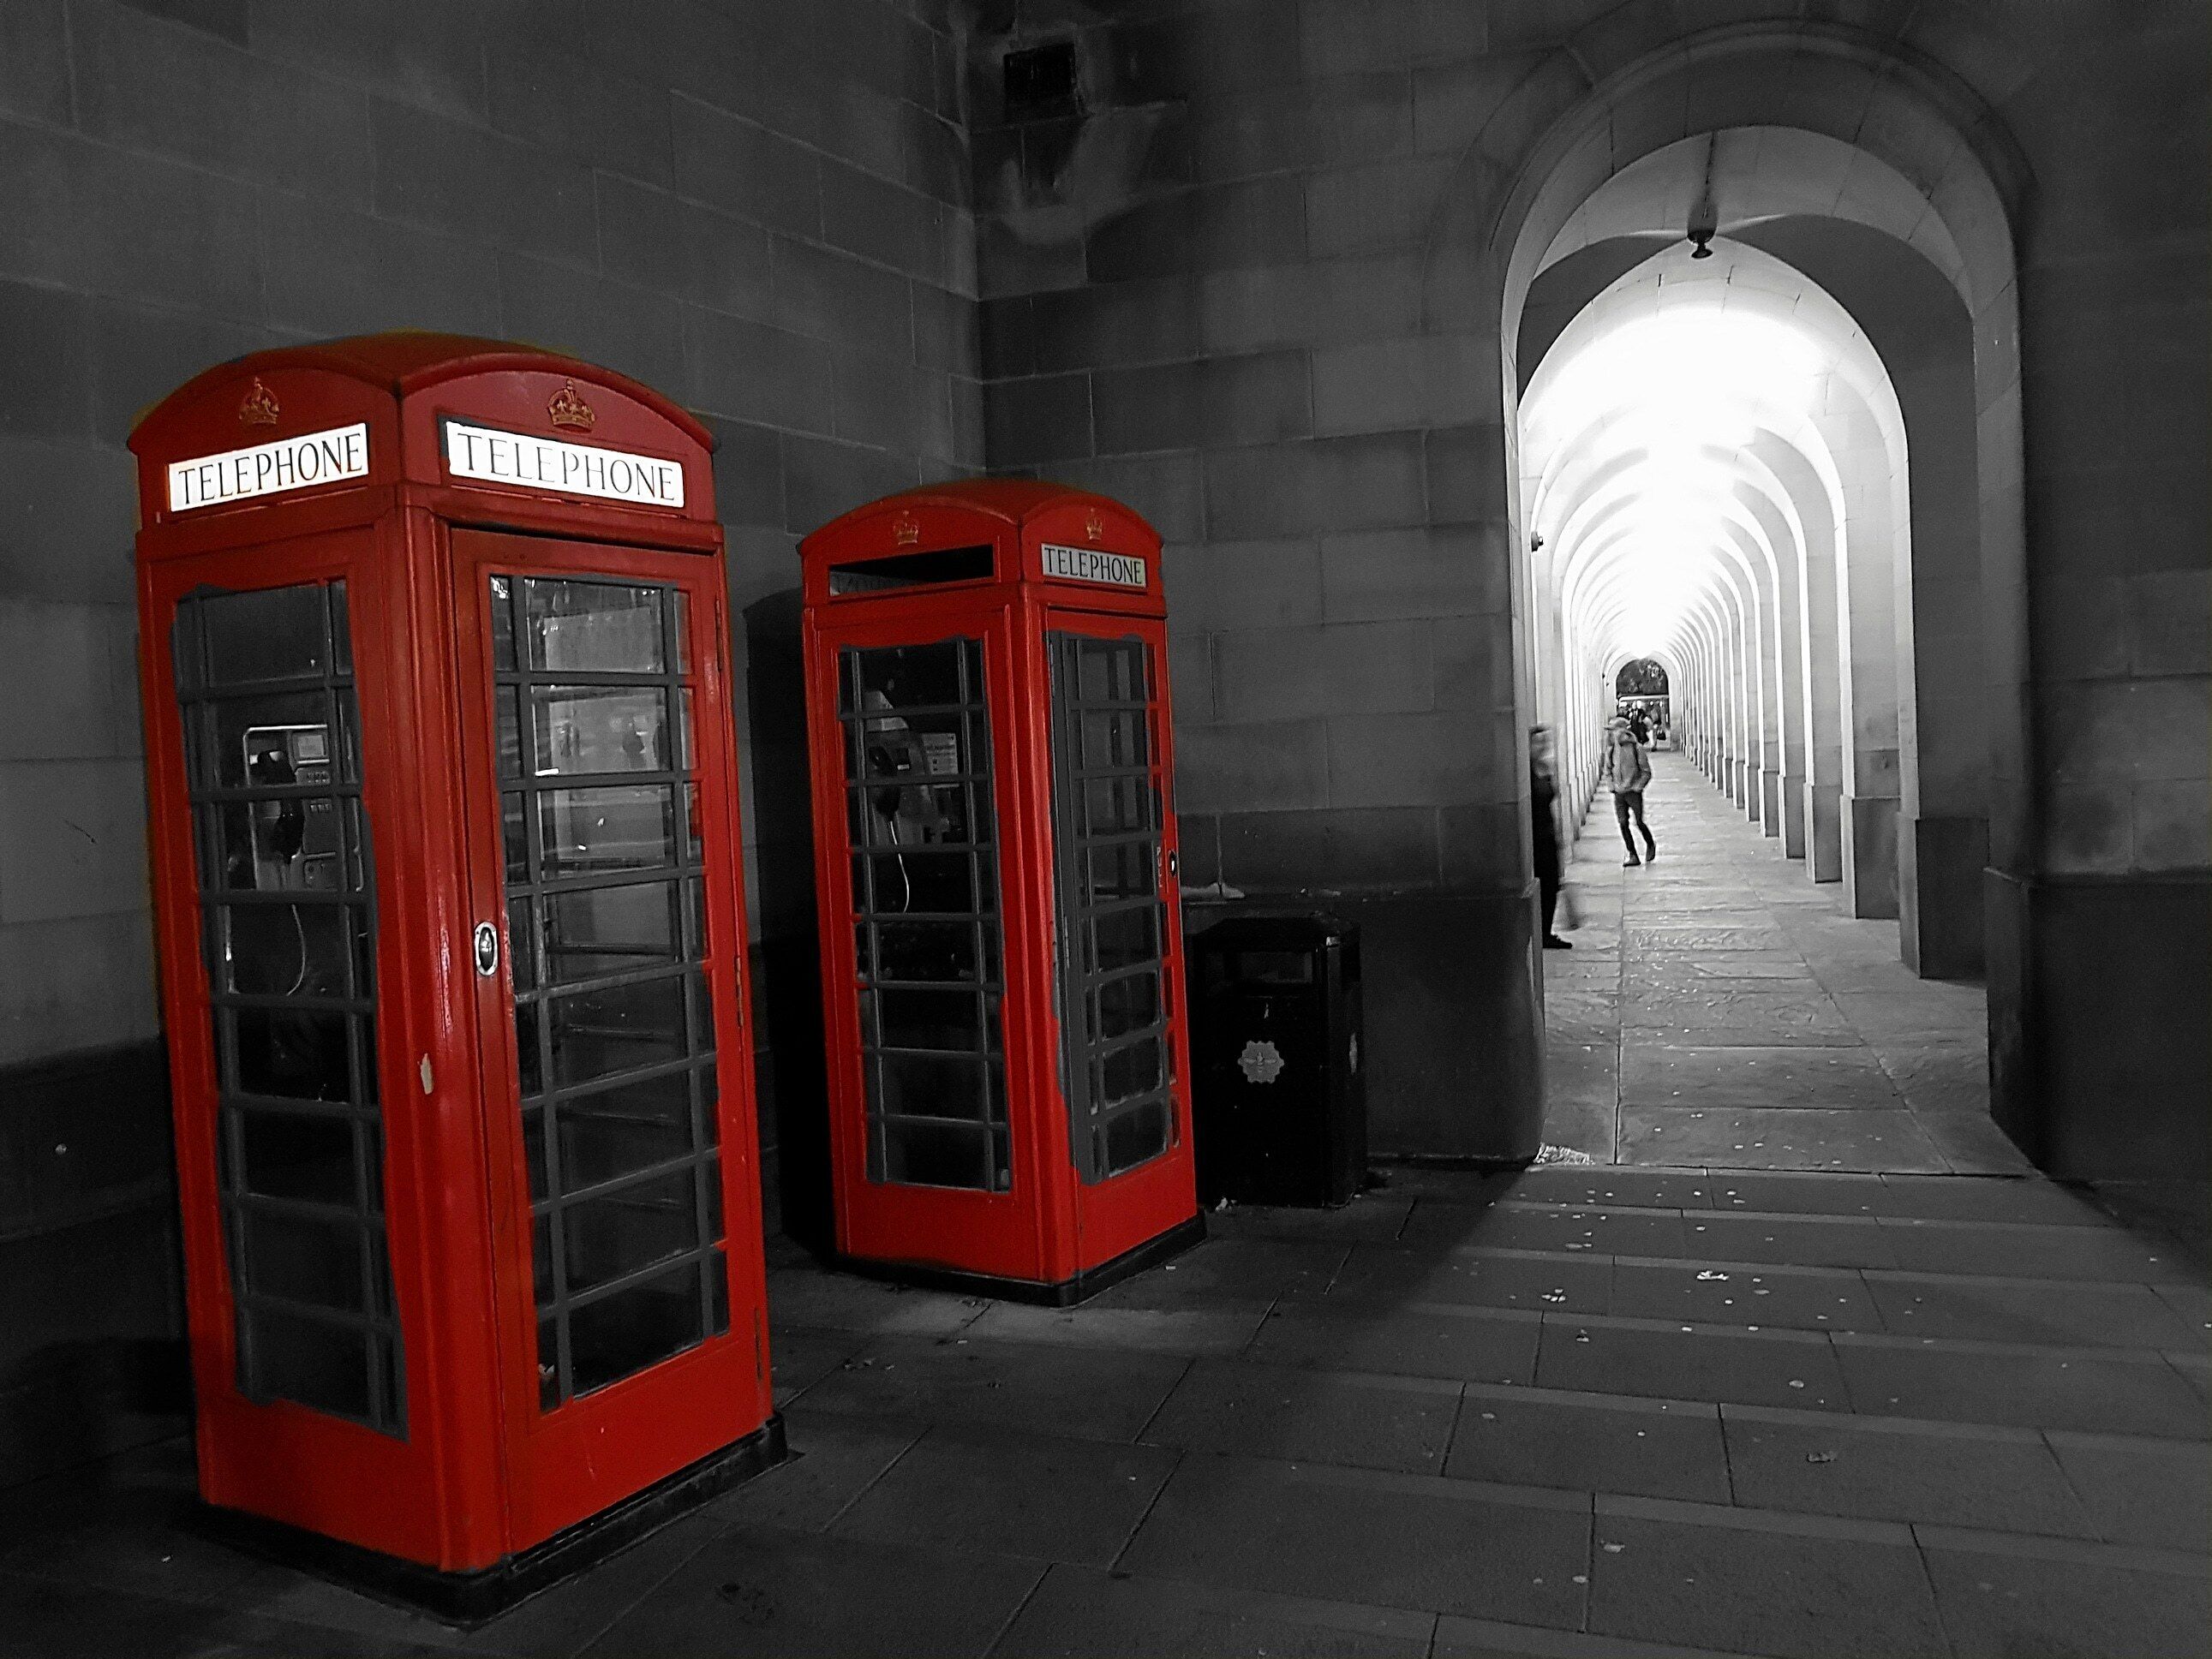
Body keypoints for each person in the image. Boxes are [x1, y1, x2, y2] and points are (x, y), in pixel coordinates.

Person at [1529, 725, 1571, 949]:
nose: (1542, 746)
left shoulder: (1545, 768)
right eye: (1537, 742)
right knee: (1540, 884)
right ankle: (1538, 932)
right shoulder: (1524, 772)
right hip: (1533, 837)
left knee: (1552, 884)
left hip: (1547, 833)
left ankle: (1546, 931)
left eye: (1545, 742)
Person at [1602, 714, 1657, 867]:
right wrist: (1611, 785)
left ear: (1621, 731)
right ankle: (1632, 854)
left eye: (1612, 730)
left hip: (1633, 792)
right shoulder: (1611, 750)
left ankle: (1650, 844)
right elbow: (1608, 770)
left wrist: (1638, 786)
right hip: (1619, 793)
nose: (1610, 734)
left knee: (1639, 822)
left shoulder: (1635, 748)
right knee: (1623, 823)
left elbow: (1646, 771)